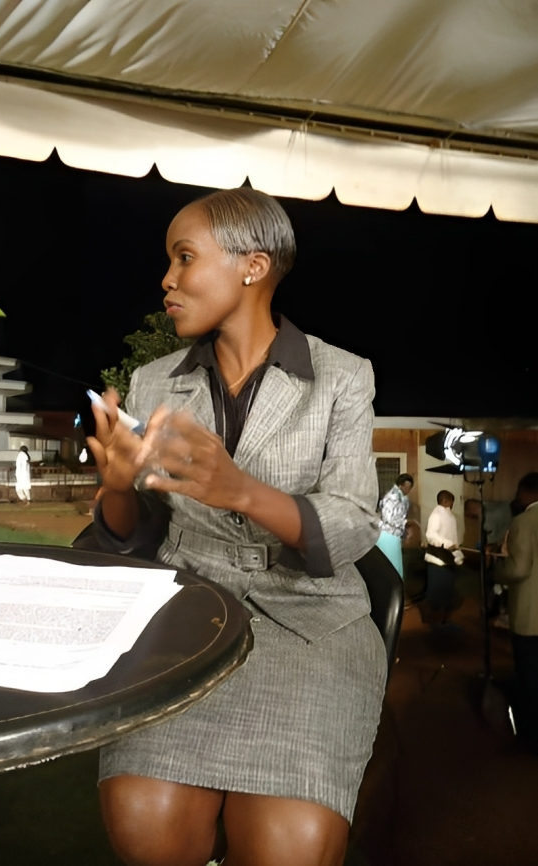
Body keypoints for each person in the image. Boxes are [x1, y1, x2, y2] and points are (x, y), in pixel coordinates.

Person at [88, 188, 386, 866]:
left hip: (309, 625)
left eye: (184, 258)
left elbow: (351, 523)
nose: (166, 279)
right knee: (143, 826)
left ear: (253, 266)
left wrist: (242, 491)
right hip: (185, 621)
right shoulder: (152, 383)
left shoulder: (341, 377)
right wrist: (117, 486)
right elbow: (133, 536)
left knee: (288, 849)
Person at [502, 472, 538, 750]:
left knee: (530, 677)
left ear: (527, 492)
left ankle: (531, 736)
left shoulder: (524, 521)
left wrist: (497, 570)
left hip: (530, 614)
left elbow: (519, 568)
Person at [424, 490, 464, 628]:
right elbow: (431, 535)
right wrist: (447, 544)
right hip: (437, 558)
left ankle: (444, 620)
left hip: (448, 558)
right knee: (438, 593)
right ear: (445, 501)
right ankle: (435, 622)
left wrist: (457, 551)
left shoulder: (450, 516)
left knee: (447, 591)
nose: (452, 505)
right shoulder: (436, 514)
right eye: (451, 501)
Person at [376, 473, 414, 577]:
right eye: (406, 486)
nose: (408, 489)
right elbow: (389, 518)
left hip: (394, 535)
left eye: (410, 487)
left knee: (393, 569)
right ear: (400, 485)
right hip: (388, 535)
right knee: (390, 569)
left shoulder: (401, 497)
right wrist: (405, 522)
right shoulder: (393, 496)